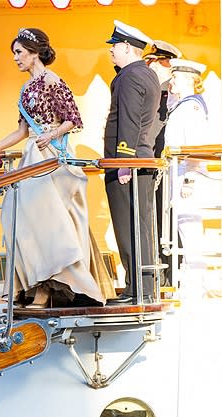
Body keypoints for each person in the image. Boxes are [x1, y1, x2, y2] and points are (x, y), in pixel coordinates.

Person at [0, 28, 112, 308]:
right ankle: (26, 283)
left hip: (54, 158)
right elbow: (21, 131)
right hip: (32, 156)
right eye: (14, 53)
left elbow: (73, 120)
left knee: (48, 225)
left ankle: (46, 288)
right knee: (18, 218)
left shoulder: (53, 81)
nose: (15, 58)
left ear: (35, 52)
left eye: (19, 52)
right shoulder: (26, 88)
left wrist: (50, 135)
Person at [103, 20, 161, 305]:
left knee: (128, 227)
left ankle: (136, 289)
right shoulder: (147, 74)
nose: (111, 51)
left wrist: (122, 161)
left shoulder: (129, 76)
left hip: (127, 164)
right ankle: (144, 286)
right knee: (140, 225)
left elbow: (128, 121)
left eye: (114, 46)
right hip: (141, 161)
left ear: (127, 46)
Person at [164, 59, 216, 299]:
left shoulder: (191, 108)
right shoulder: (183, 105)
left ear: (186, 80)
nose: (171, 80)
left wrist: (189, 181)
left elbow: (194, 147)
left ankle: (196, 284)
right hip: (180, 173)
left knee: (190, 227)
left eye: (175, 77)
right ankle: (195, 282)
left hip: (187, 175)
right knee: (184, 228)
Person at [144, 40, 182, 286]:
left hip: (167, 165)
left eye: (154, 61)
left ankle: (171, 275)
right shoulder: (156, 89)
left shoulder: (171, 91)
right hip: (157, 164)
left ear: (165, 62)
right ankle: (165, 275)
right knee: (158, 217)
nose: (150, 65)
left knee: (169, 219)